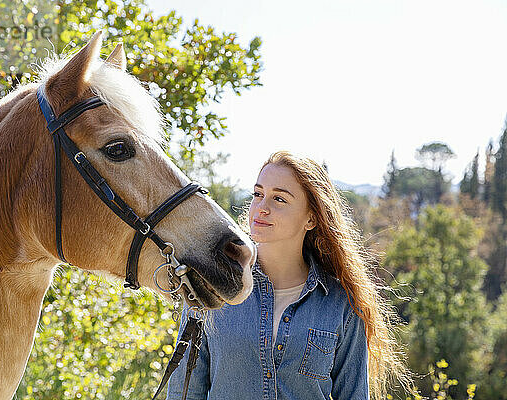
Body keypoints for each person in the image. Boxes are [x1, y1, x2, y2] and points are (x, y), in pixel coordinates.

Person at [166, 151, 411, 400]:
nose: (261, 208)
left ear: (311, 218)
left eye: (279, 199)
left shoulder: (341, 304)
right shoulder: (213, 289)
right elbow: (183, 392)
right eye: (258, 195)